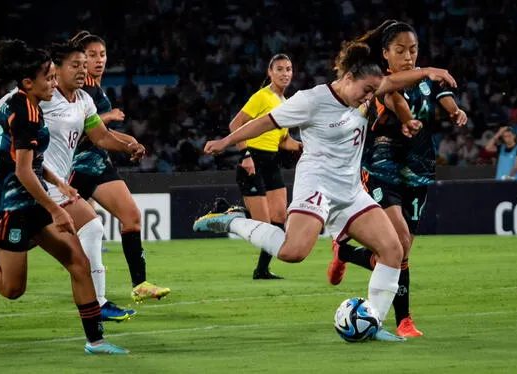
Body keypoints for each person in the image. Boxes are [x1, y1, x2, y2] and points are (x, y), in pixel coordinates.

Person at [193, 41, 457, 341]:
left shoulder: (367, 93)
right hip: (316, 185)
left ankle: (374, 325)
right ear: (347, 79)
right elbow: (265, 122)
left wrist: (430, 73)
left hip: (350, 191)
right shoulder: (311, 100)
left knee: (394, 249)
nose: (370, 98)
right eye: (366, 90)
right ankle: (233, 219)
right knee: (293, 253)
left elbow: (393, 82)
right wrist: (226, 142)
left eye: (374, 91)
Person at [0, 39, 128, 354]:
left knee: (78, 263)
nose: (54, 84)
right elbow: (23, 171)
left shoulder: (35, 104)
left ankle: (95, 341)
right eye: (50, 78)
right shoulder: (26, 112)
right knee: (12, 288)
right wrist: (55, 209)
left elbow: (35, 163)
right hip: (11, 207)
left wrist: (62, 185)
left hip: (33, 200)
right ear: (30, 83)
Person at [325, 21, 468, 338]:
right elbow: (395, 101)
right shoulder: (380, 82)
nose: (408, 56)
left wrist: (456, 111)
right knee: (399, 244)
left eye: (413, 50)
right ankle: (404, 321)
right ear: (385, 54)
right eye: (400, 50)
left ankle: (346, 252)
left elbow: (445, 96)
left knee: (400, 251)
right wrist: (408, 119)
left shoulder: (427, 82)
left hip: (418, 171)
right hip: (381, 168)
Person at [69, 31, 171, 302]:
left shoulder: (96, 89)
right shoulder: (79, 91)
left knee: (132, 217)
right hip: (74, 168)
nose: (98, 60)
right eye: (92, 55)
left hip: (99, 165)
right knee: (40, 230)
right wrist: (109, 117)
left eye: (102, 54)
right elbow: (82, 129)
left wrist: (131, 143)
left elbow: (101, 135)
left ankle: (140, 285)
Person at [229, 53, 302, 280]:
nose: (285, 73)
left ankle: (261, 270)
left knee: (280, 217)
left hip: (271, 163)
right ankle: (228, 215)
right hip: (252, 161)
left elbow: (283, 141)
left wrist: (305, 146)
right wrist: (245, 155)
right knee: (263, 225)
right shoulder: (262, 97)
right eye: (279, 69)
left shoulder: (286, 104)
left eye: (288, 69)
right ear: (270, 73)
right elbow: (235, 124)